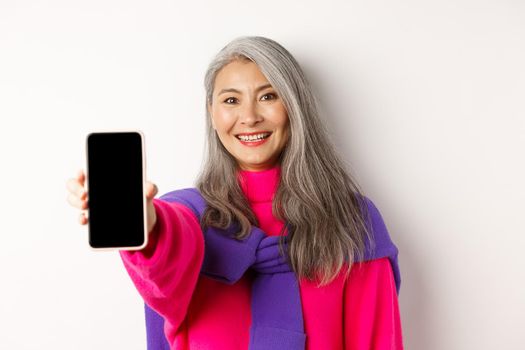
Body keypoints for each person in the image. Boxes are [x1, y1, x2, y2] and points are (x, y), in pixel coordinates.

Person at [66, 36, 403, 350]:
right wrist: (147, 220)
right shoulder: (189, 215)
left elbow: (376, 340)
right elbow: (168, 250)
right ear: (212, 114)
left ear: (294, 108)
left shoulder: (351, 219)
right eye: (231, 100)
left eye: (268, 96)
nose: (250, 117)